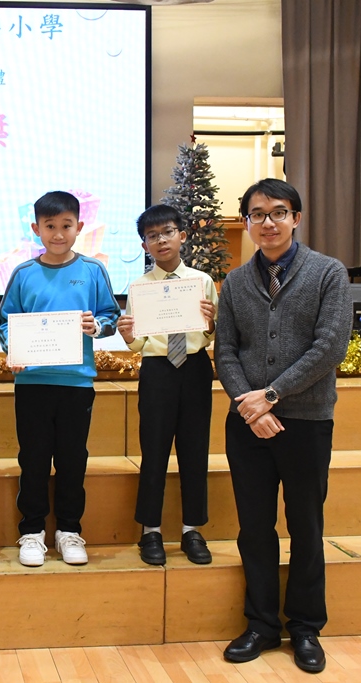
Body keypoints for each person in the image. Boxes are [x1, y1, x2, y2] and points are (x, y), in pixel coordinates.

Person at [215, 179, 352, 674]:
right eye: (257, 214)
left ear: (296, 218)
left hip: (306, 421)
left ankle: (306, 627)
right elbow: (225, 351)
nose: (268, 222)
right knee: (254, 528)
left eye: (278, 212)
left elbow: (330, 346)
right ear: (247, 222)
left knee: (306, 526)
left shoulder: (328, 273)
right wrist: (251, 408)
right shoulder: (235, 282)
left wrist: (271, 395)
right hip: (247, 425)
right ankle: (261, 625)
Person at [0, 190, 120, 567]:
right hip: (32, 384)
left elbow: (110, 316)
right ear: (36, 229)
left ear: (79, 227)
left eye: (66, 225)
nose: (58, 233)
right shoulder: (23, 273)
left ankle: (69, 530)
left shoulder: (93, 270)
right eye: (50, 226)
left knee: (72, 460)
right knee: (33, 459)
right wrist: (14, 350)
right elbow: (4, 322)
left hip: (76, 384)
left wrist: (97, 326)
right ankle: (32, 532)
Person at [117, 205, 217, 566]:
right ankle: (151, 531)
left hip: (195, 368)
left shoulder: (201, 281)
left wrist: (210, 324)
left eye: (168, 232)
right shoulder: (139, 287)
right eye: (152, 235)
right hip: (158, 371)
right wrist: (128, 335)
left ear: (182, 235)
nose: (161, 240)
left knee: (195, 450)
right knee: (154, 451)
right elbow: (139, 344)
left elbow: (210, 334)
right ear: (144, 244)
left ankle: (192, 529)